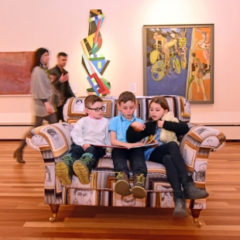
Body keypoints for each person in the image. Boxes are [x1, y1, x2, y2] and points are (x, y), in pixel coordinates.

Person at [127, 96, 209, 216]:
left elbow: (184, 128)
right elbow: (131, 138)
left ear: (165, 111)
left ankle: (179, 199)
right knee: (171, 145)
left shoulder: (172, 121)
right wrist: (132, 127)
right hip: (152, 152)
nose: (153, 112)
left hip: (166, 154)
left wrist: (164, 124)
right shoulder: (150, 125)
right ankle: (187, 184)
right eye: (151, 110)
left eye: (157, 110)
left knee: (168, 159)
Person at [13, 48, 58, 163]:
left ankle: (19, 150)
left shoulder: (43, 69)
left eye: (48, 55)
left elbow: (45, 85)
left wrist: (51, 80)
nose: (48, 57)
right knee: (54, 128)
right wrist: (46, 103)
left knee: (38, 129)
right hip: (43, 106)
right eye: (45, 55)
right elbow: (39, 89)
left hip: (45, 105)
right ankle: (58, 154)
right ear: (40, 57)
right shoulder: (38, 70)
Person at [55, 95, 108, 185]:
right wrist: (83, 143)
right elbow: (75, 134)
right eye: (97, 109)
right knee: (75, 150)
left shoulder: (106, 122)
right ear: (87, 110)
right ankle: (67, 167)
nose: (100, 111)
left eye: (102, 108)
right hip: (82, 144)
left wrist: (108, 149)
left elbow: (108, 137)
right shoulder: (83, 121)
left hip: (97, 146)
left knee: (92, 150)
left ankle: (84, 166)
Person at [109, 91, 147, 199]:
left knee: (138, 156)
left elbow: (143, 139)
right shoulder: (114, 121)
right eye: (125, 108)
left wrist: (144, 141)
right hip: (120, 147)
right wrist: (127, 145)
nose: (128, 111)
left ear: (135, 106)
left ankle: (139, 181)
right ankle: (122, 178)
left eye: (131, 107)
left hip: (135, 147)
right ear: (119, 107)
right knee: (118, 155)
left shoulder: (140, 121)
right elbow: (113, 140)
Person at [48, 52, 75, 121]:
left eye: (66, 60)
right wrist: (60, 81)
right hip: (56, 102)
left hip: (64, 101)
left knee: (65, 122)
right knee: (55, 123)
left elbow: (67, 87)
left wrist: (74, 98)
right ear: (58, 59)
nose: (64, 62)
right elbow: (49, 86)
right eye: (63, 60)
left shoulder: (65, 72)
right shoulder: (52, 71)